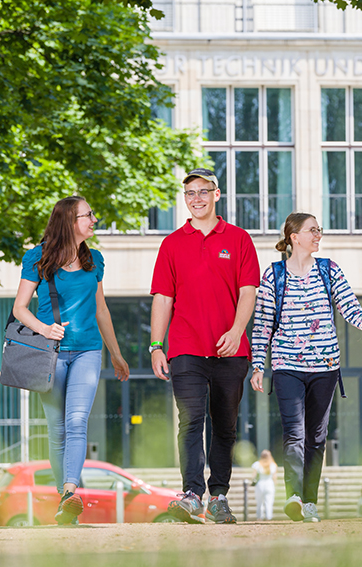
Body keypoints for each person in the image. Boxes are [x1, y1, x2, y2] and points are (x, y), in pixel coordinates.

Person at [250, 212, 362, 523]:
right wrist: (256, 366)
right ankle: (293, 495)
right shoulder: (273, 276)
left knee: (316, 437)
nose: (318, 235)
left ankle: (310, 502)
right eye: (312, 230)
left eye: (320, 229)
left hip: (325, 366)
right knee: (294, 432)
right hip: (286, 364)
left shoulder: (329, 270)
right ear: (294, 237)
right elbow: (262, 325)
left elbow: (351, 309)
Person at [150, 168, 260, 524]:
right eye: (189, 193)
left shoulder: (239, 239)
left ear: (217, 194)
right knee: (190, 420)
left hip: (231, 350)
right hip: (185, 348)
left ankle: (219, 496)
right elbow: (164, 299)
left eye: (203, 191)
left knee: (225, 425)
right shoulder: (172, 243)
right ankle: (192, 493)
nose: (196, 198)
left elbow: (248, 292)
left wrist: (236, 330)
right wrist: (155, 344)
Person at [12, 196, 130, 525]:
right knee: (56, 430)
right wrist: (44, 329)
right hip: (48, 354)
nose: (94, 219)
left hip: (89, 351)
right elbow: (20, 308)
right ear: (69, 221)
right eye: (88, 215)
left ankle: (69, 491)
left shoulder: (95, 260)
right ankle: (65, 503)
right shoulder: (38, 257)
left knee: (77, 422)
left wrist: (116, 353)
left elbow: (101, 309)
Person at [251, 449, 277, 521]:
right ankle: (268, 517)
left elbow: (253, 475)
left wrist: (253, 481)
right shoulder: (273, 464)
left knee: (259, 502)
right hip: (269, 483)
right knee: (269, 502)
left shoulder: (257, 464)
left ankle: (259, 517)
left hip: (260, 483)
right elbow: (274, 477)